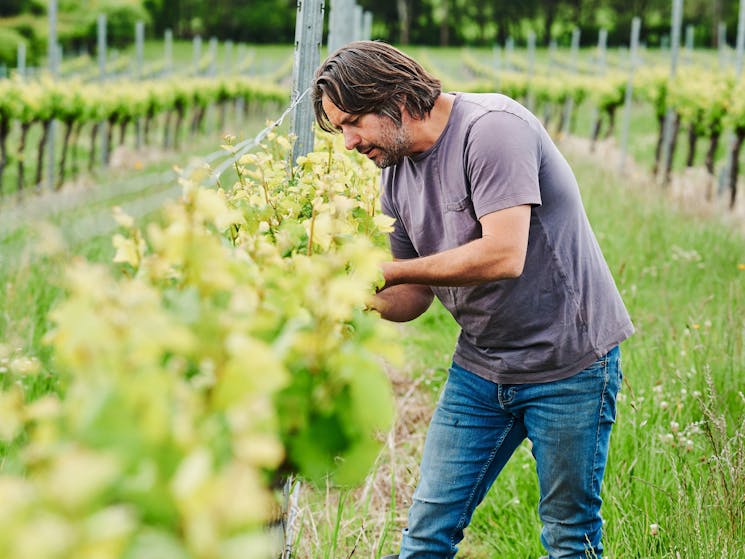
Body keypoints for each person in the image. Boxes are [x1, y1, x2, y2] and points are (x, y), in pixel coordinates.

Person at [312, 40, 634, 559]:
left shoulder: (491, 129)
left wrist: (387, 269)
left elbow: (504, 254)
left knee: (569, 534)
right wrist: (350, 295)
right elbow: (414, 296)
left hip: (569, 364)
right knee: (426, 532)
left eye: (352, 123)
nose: (348, 142)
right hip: (481, 369)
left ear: (393, 99)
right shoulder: (393, 175)